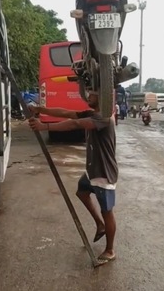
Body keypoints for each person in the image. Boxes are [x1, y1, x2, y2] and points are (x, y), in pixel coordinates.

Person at [28, 90, 118, 265]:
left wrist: (44, 126)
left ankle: (110, 250)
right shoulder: (93, 113)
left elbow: (74, 124)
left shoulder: (105, 118)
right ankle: (100, 225)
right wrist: (41, 109)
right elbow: (66, 113)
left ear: (102, 97)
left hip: (103, 174)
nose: (88, 96)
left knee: (107, 211)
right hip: (92, 171)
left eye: (93, 94)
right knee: (82, 192)